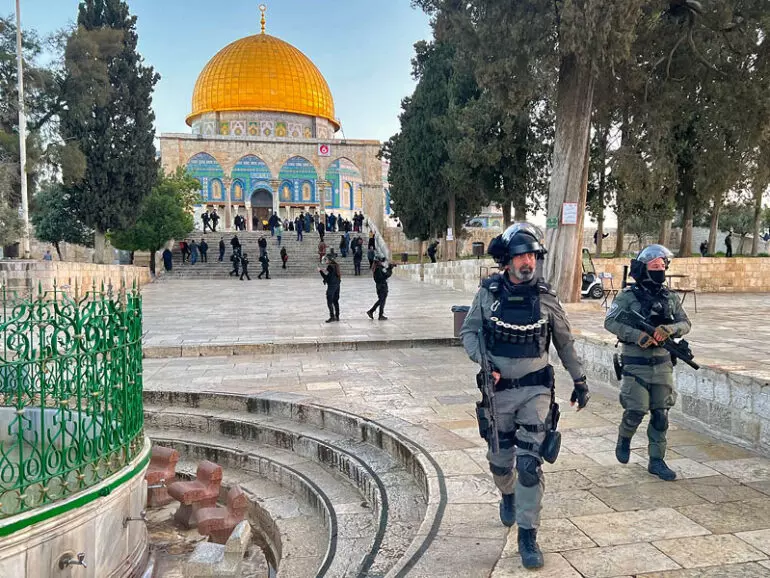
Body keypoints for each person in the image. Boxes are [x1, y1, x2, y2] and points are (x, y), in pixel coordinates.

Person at [459, 223, 589, 570]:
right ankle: (507, 493)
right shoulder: (487, 294)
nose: (527, 261)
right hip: (498, 392)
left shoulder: (546, 296)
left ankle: (528, 535)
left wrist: (580, 380)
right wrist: (484, 363)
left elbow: (564, 341)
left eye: (532, 255)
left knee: (530, 465)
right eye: (520, 256)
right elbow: (469, 332)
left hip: (536, 391)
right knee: (501, 462)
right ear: (507, 261)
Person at [604, 244, 691, 482]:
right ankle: (625, 437)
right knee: (636, 410)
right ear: (643, 269)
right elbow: (610, 322)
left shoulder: (669, 297)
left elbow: (686, 324)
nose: (660, 270)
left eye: (663, 266)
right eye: (655, 266)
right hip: (635, 363)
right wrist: (637, 336)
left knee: (661, 415)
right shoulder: (627, 297)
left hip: (663, 363)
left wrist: (669, 329)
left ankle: (656, 460)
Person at [366, 256, 396, 320]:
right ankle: (378, 314)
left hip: (380, 286)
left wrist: (389, 268)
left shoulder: (377, 268)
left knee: (381, 300)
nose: (382, 262)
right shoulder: (379, 268)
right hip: (382, 286)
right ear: (378, 262)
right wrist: (390, 269)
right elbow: (386, 275)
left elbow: (384, 273)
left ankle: (372, 312)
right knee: (382, 301)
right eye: (381, 261)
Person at [319, 255, 342, 322]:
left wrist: (320, 271)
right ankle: (337, 316)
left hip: (332, 286)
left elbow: (326, 278)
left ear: (329, 260)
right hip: (337, 285)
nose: (325, 261)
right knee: (335, 301)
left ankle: (332, 317)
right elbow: (332, 274)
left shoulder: (330, 266)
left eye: (326, 260)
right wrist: (325, 270)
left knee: (329, 301)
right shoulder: (336, 265)